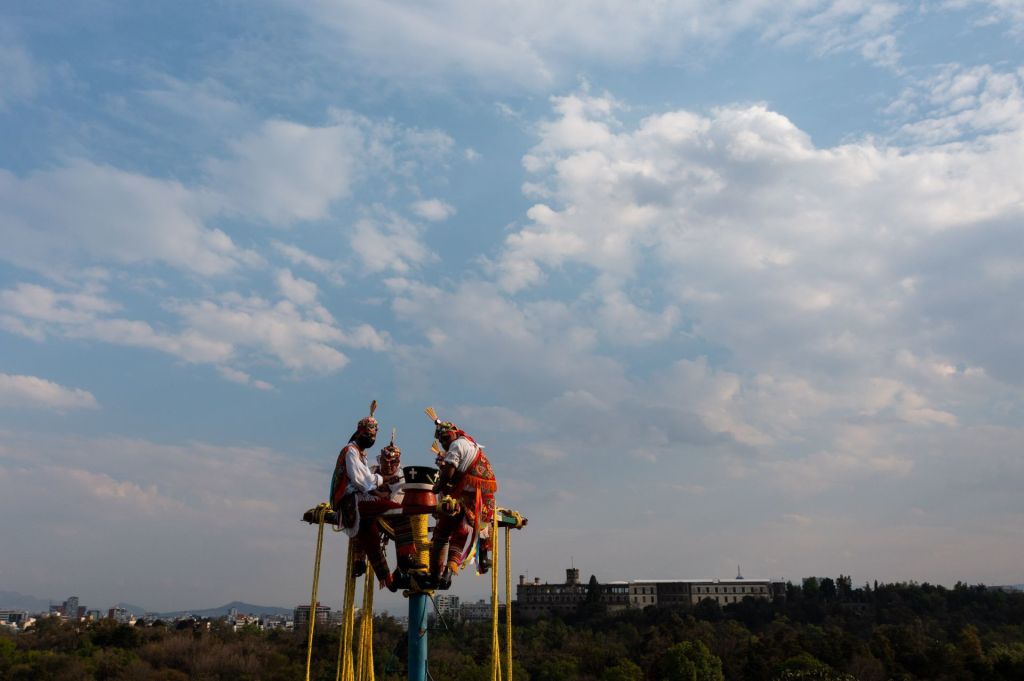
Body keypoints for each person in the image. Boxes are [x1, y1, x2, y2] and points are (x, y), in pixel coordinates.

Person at [330, 400, 402, 590]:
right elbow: (364, 482)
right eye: (369, 435)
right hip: (351, 501)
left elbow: (369, 484)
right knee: (400, 511)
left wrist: (381, 483)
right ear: (360, 433)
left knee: (371, 540)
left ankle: (388, 579)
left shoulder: (360, 454)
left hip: (360, 499)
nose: (372, 438)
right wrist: (382, 480)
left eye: (374, 435)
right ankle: (406, 561)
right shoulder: (351, 452)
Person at [424, 407, 499, 587]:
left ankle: (440, 572)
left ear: (454, 434)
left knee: (449, 530)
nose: (443, 443)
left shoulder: (458, 445)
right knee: (458, 529)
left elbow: (448, 474)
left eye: (445, 438)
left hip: (473, 496)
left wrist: (436, 488)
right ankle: (447, 571)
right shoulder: (467, 443)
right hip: (474, 495)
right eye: (441, 440)